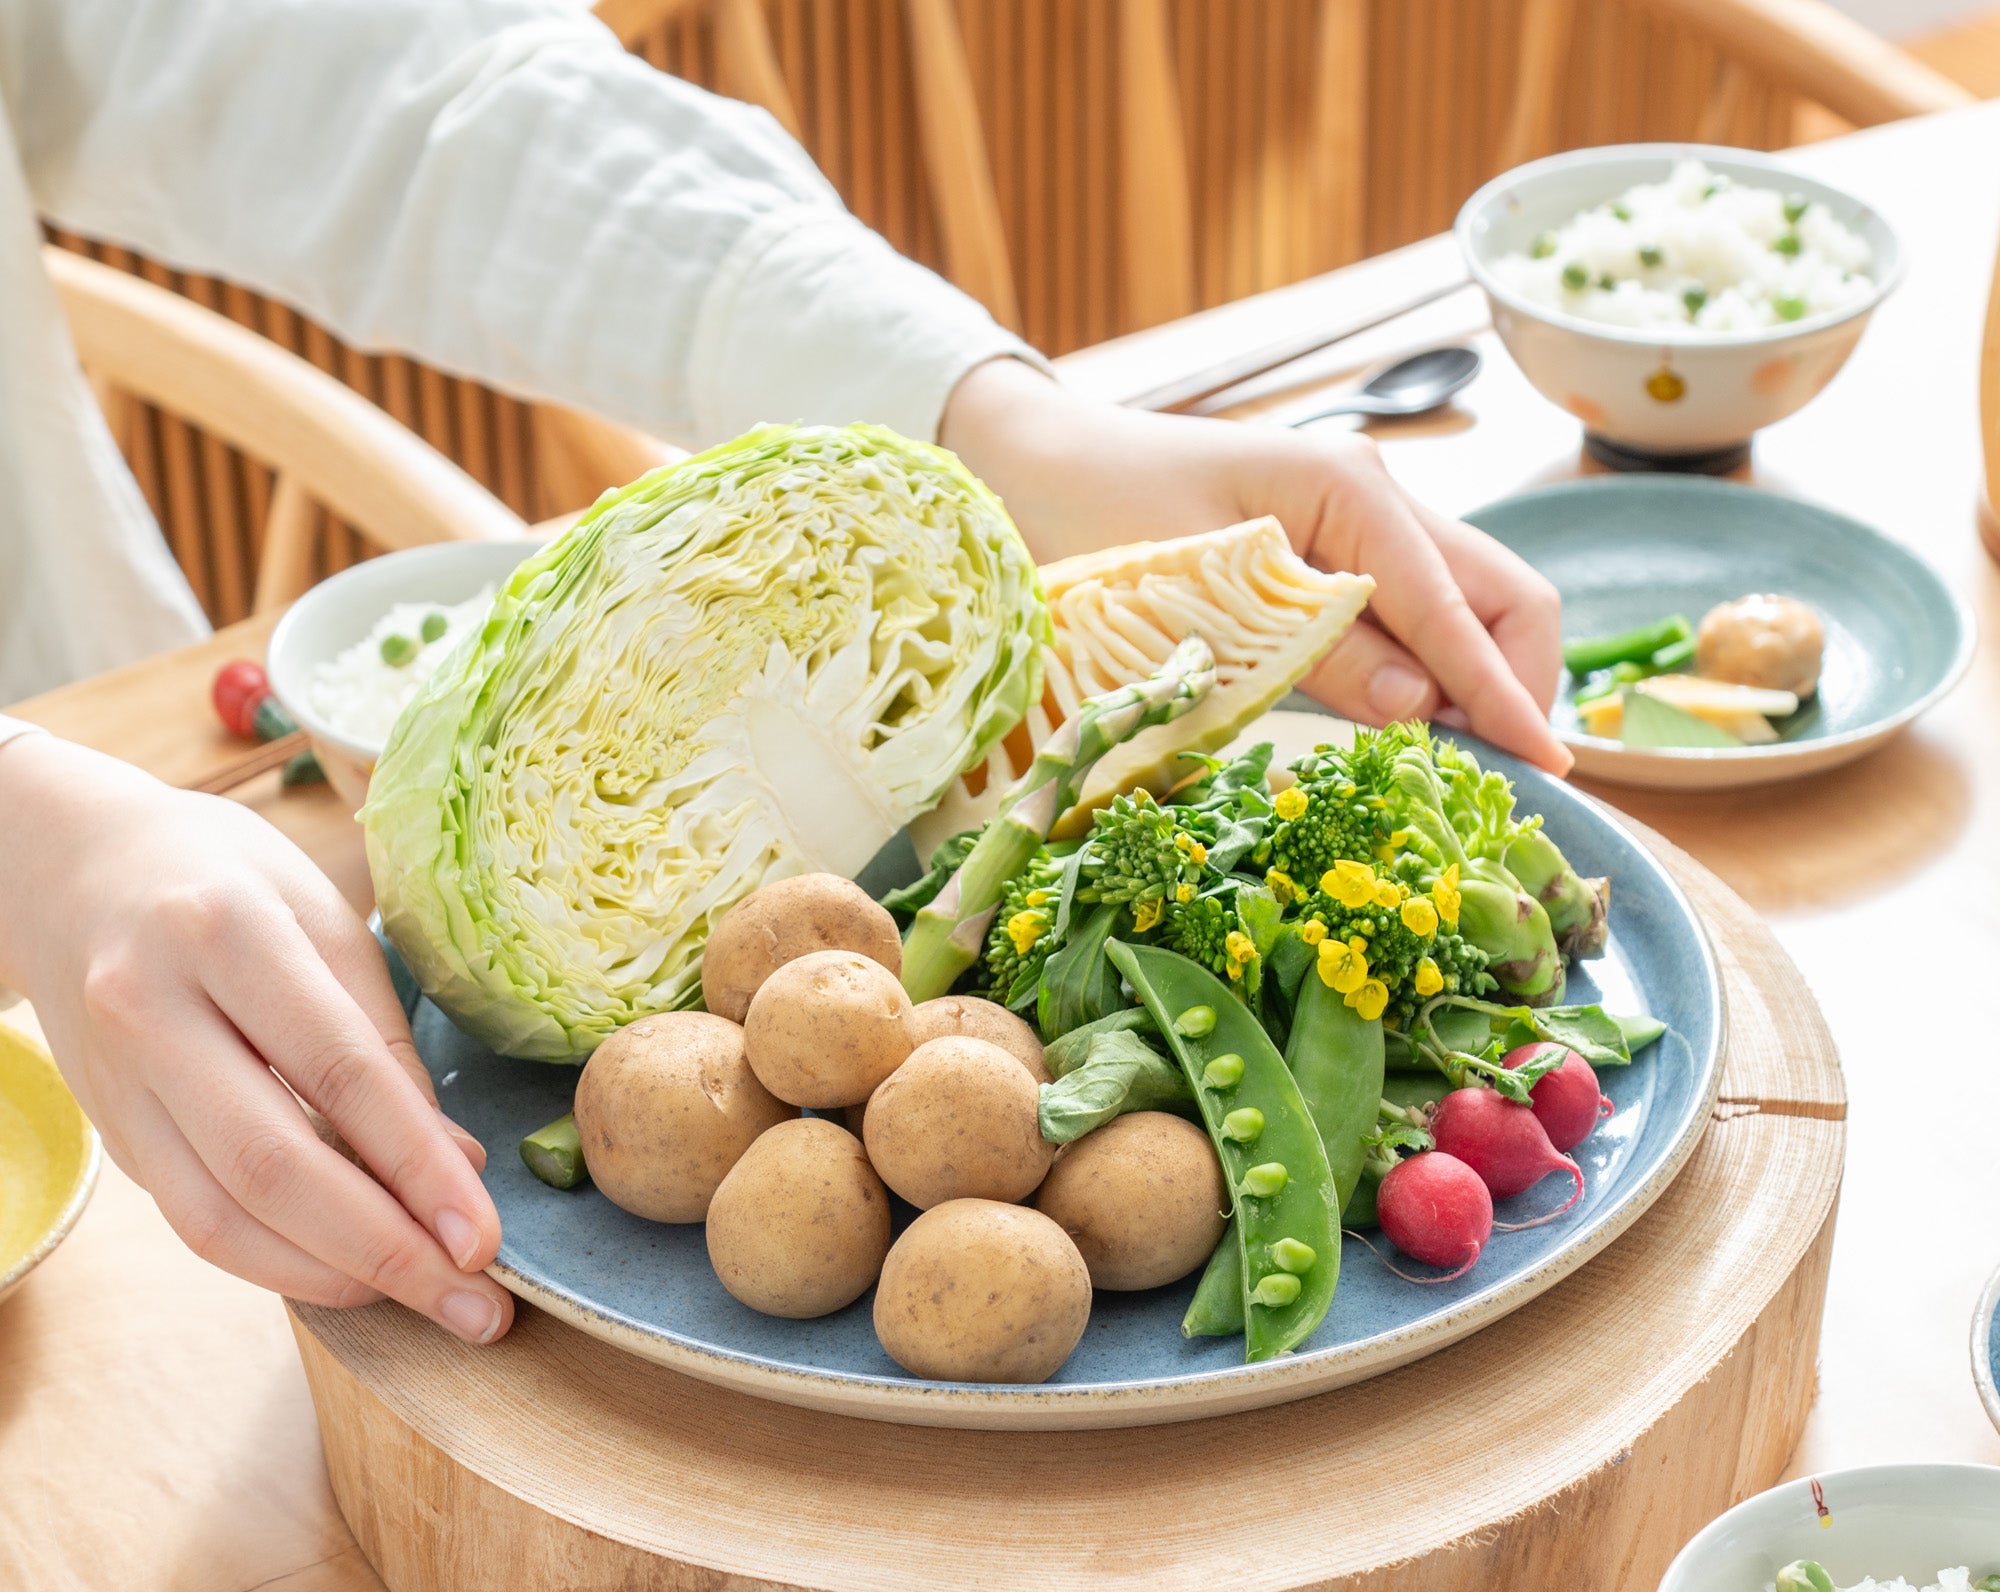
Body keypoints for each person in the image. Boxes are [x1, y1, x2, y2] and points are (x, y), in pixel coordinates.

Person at [0, 0, 1566, 1346]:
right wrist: (32, 830)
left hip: (136, 918)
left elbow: (352, 77)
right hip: (86, 894)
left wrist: (1010, 431)